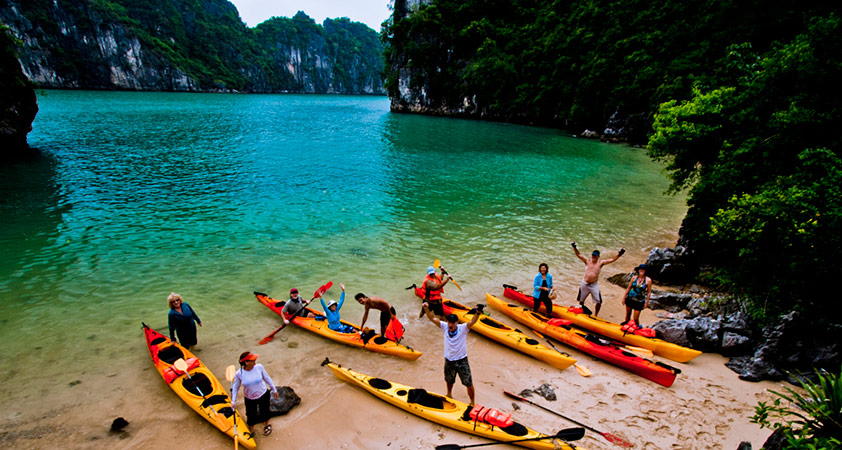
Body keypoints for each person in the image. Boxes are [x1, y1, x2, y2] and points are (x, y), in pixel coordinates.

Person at [422, 301, 482, 405]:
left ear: (457, 322)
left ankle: (472, 402)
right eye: (449, 322)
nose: (450, 324)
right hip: (449, 360)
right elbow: (432, 318)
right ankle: (449, 394)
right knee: (449, 379)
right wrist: (426, 308)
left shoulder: (463, 328)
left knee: (468, 382)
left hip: (462, 360)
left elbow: (472, 321)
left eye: (453, 322)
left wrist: (477, 313)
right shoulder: (444, 326)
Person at [571, 241, 625, 316]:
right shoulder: (587, 261)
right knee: (581, 301)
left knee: (599, 302)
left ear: (598, 256)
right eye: (593, 255)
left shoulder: (600, 263)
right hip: (585, 283)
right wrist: (574, 247)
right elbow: (578, 255)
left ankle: (596, 315)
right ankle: (580, 312)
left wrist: (619, 254)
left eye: (595, 256)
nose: (594, 257)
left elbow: (612, 260)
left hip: (593, 285)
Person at [230, 352, 278, 437]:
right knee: (250, 414)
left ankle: (266, 425)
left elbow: (267, 378)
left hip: (263, 394)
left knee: (265, 411)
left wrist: (274, 389)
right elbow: (235, 388)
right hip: (249, 398)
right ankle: (251, 429)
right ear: (246, 362)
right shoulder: (239, 373)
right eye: (252, 360)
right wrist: (233, 401)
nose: (255, 361)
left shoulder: (259, 367)